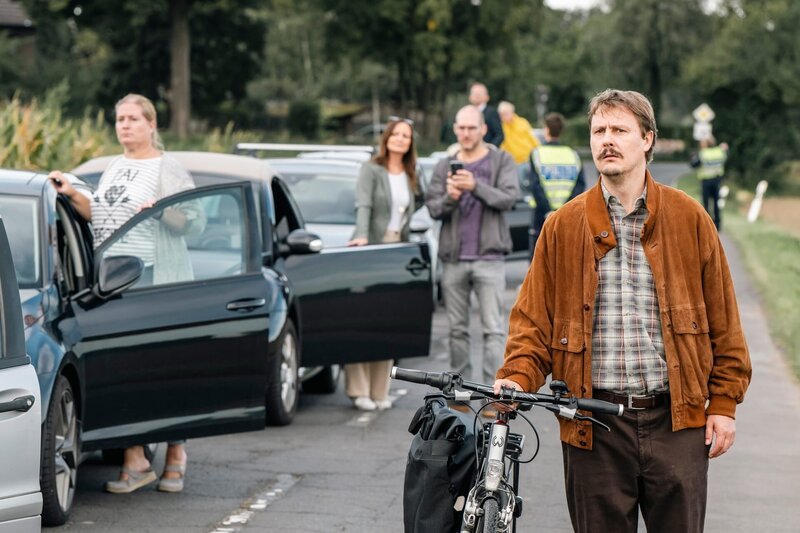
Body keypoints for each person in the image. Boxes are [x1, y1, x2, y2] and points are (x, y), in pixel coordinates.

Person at [493, 89, 751, 532]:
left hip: (678, 421)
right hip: (592, 425)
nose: (606, 140)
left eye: (619, 130)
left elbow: (725, 323)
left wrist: (723, 404)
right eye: (598, 131)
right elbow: (531, 324)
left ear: (647, 139)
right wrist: (516, 378)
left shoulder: (690, 219)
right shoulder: (562, 227)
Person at [49, 93, 204, 494]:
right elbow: (99, 215)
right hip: (113, 281)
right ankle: (135, 460)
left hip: (155, 278)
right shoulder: (114, 166)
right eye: (120, 119)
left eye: (134, 119)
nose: (125, 125)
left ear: (152, 125)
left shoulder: (167, 167)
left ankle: (176, 452)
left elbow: (195, 222)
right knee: (128, 369)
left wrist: (163, 211)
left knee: (165, 367)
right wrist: (71, 192)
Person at [426, 105, 519, 394]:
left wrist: (475, 186)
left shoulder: (501, 160)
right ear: (455, 129)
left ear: (482, 129)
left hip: (489, 258)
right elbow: (433, 207)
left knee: (493, 330)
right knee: (457, 332)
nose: (466, 133)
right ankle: (460, 396)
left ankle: (493, 396)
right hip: (453, 259)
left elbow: (509, 198)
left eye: (471, 128)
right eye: (461, 128)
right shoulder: (444, 165)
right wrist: (451, 197)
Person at [346, 117, 423, 411]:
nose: (401, 139)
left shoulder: (411, 172)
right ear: (387, 138)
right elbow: (363, 204)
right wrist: (363, 235)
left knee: (386, 323)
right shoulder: (372, 168)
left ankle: (380, 392)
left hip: (396, 251)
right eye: (396, 134)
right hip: (371, 247)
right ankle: (358, 389)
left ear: (410, 142)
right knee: (363, 321)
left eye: (406, 135)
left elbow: (419, 203)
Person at [527, 112, 585, 256]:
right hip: (567, 215)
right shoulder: (573, 154)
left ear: (546, 129)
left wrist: (548, 212)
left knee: (539, 260)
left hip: (541, 215)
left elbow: (535, 186)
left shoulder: (537, 154)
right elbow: (579, 187)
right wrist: (562, 212)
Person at [690, 136, 728, 230]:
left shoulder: (703, 153)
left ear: (706, 144)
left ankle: (707, 225)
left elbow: (694, 164)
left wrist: (693, 155)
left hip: (706, 182)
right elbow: (726, 156)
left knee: (706, 204)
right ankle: (718, 225)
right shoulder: (720, 152)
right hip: (717, 181)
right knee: (716, 203)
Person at [468, 82, 504, 148]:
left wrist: (489, 150)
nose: (476, 95)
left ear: (487, 97)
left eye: (479, 93)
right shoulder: (467, 112)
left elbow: (499, 135)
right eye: (474, 93)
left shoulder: (491, 112)